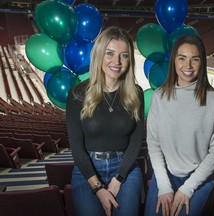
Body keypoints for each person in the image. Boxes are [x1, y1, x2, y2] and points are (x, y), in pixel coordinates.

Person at [66, 26, 144, 216]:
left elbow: (135, 142)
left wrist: (119, 179)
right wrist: (98, 187)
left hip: (125, 169)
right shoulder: (77, 94)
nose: (117, 61)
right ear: (99, 55)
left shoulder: (137, 93)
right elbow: (76, 148)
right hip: (88, 170)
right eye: (110, 53)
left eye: (124, 55)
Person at [144, 35, 214, 216]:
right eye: (182, 58)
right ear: (174, 60)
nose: (187, 66)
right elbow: (154, 143)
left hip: (199, 179)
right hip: (165, 175)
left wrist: (188, 188)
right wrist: (164, 186)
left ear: (202, 62)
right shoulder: (159, 97)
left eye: (194, 59)